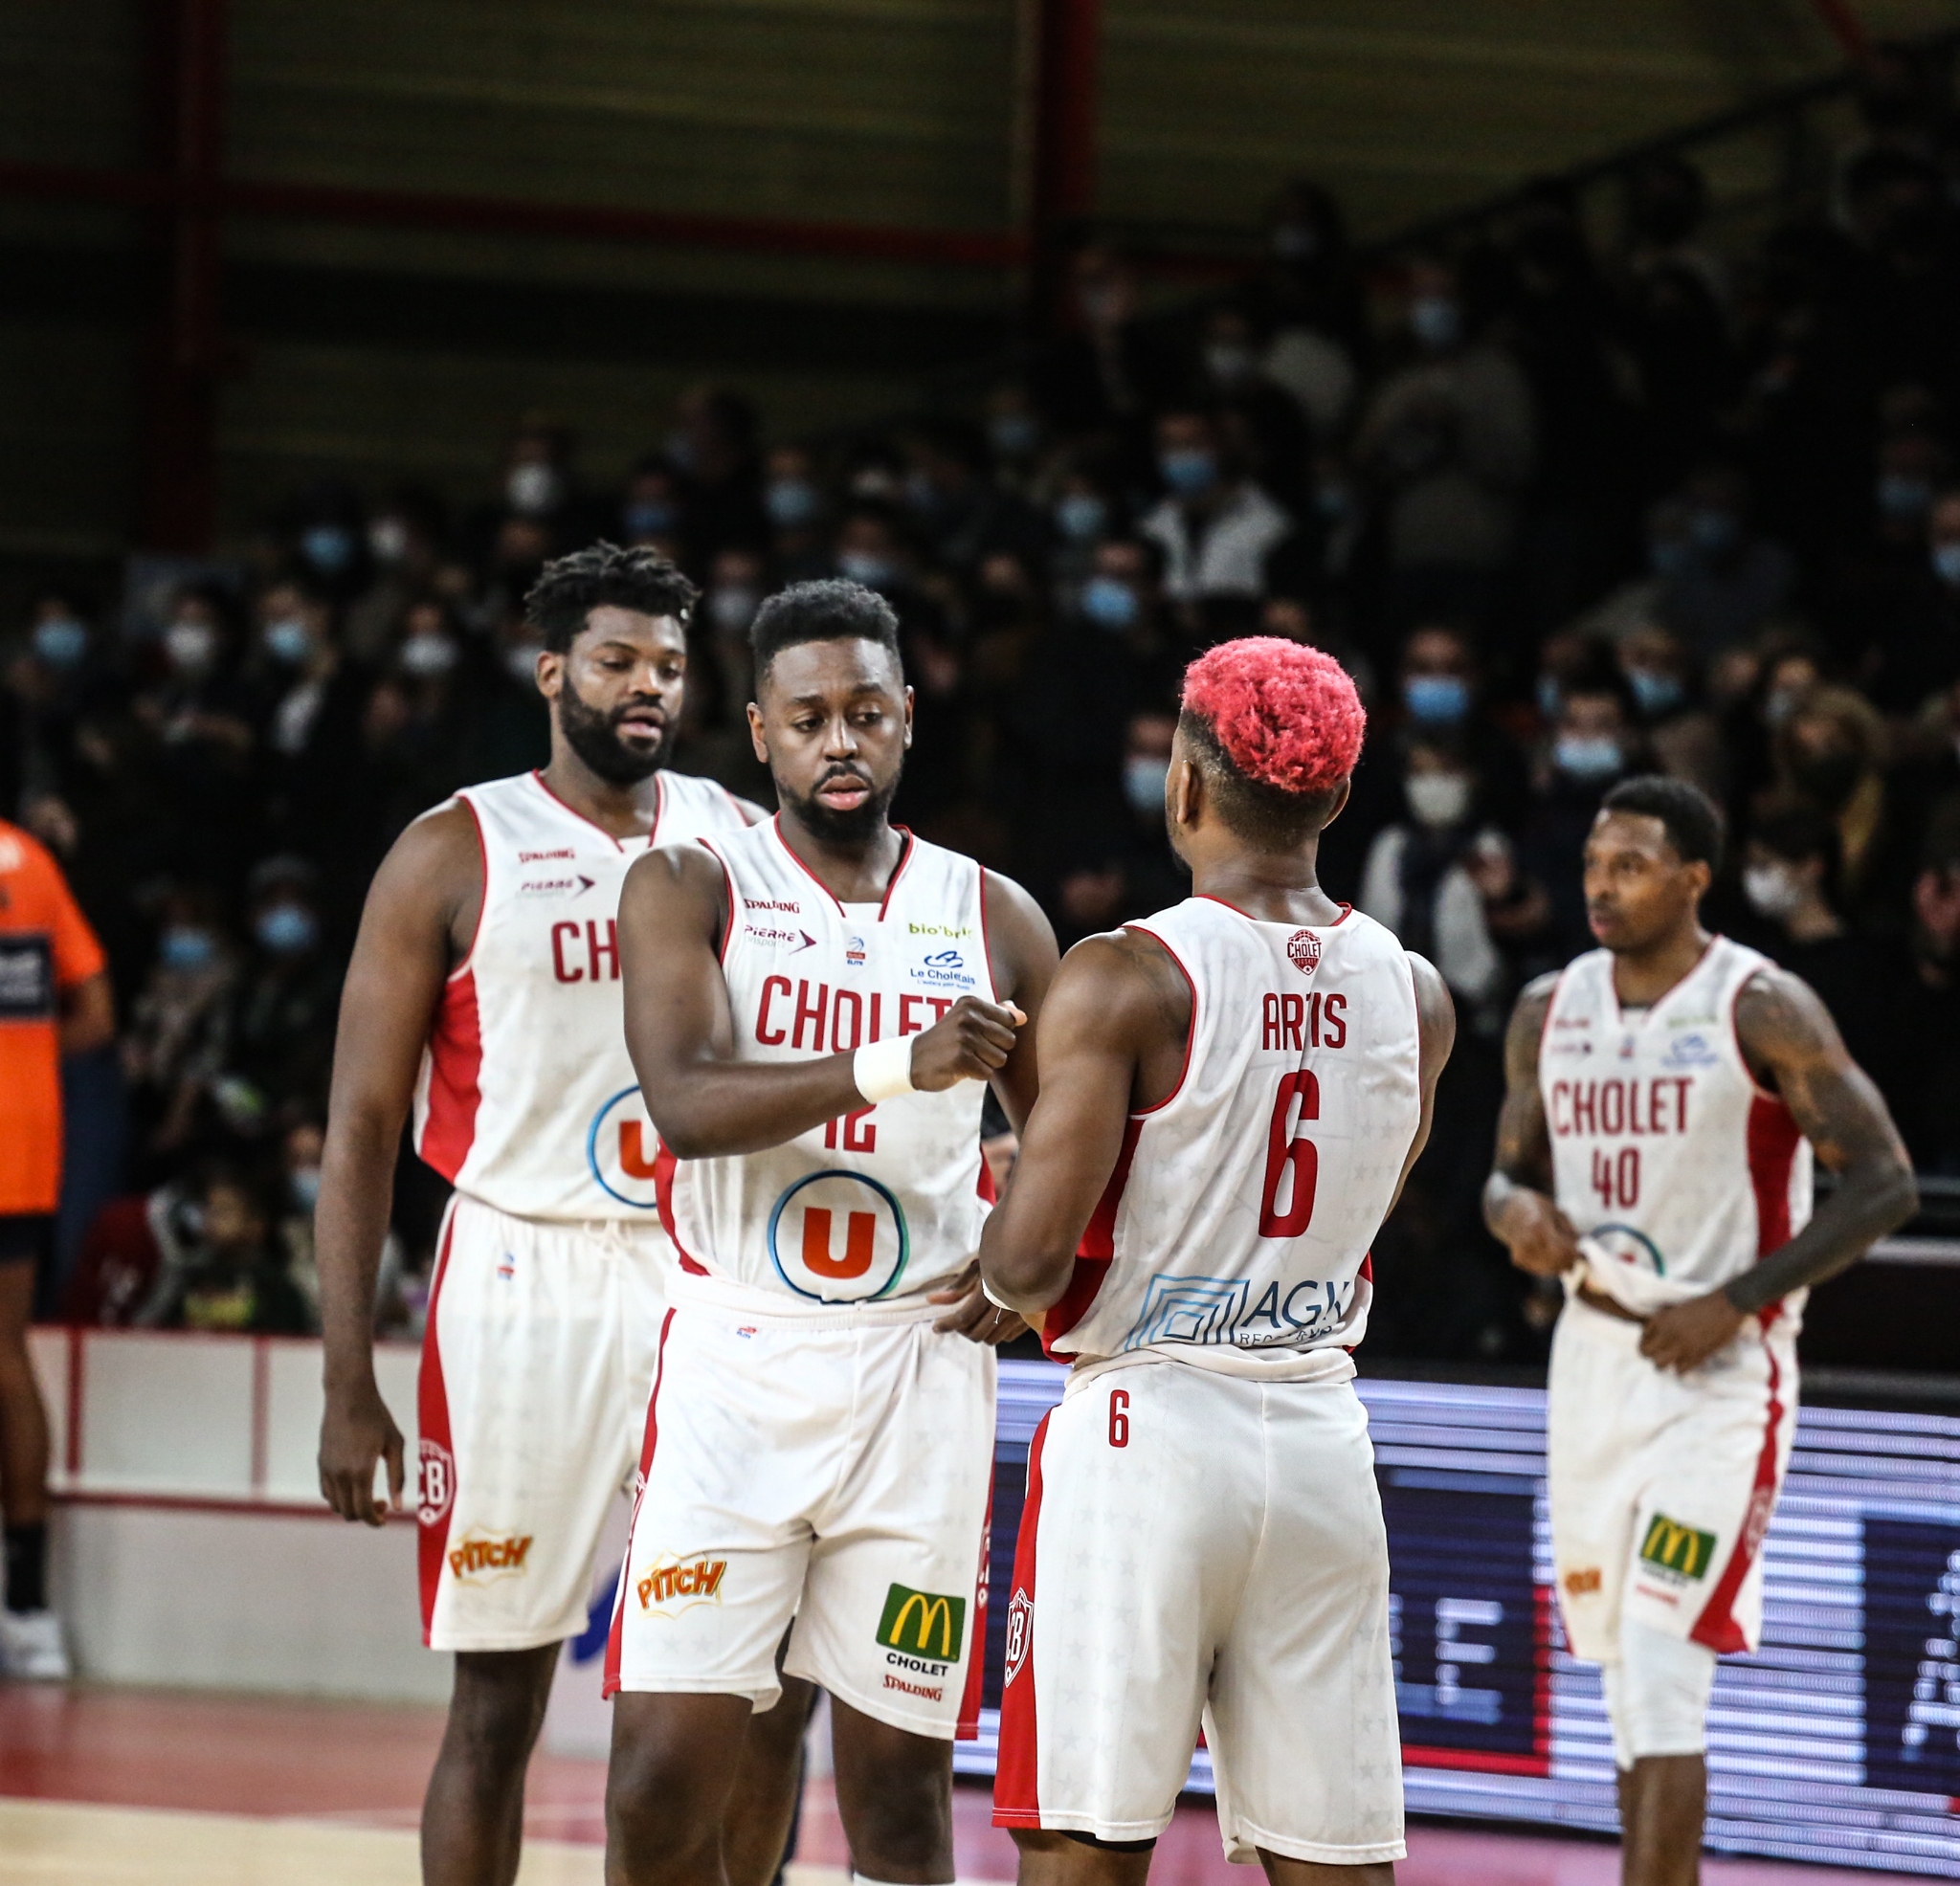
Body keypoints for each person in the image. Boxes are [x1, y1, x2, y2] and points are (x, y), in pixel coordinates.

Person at [313, 544, 804, 1886]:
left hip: (708, 1273)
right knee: (498, 1700)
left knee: (749, 1686)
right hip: (519, 1276)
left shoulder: (737, 835)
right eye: (615, 660)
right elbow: (360, 1127)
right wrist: (348, 1374)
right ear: (551, 673)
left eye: (666, 665)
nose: (645, 686)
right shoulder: (450, 849)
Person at [605, 578, 1059, 1886]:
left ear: (909, 718)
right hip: (737, 1362)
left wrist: (1033, 1260)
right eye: (810, 718)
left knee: (903, 1801)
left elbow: (1068, 1144)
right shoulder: (690, 879)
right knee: (655, 1786)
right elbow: (685, 1101)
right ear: (759, 732)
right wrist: (895, 1063)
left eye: (867, 711)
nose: (841, 741)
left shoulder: (994, 913)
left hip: (918, 1372)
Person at [978, 637, 1455, 1883]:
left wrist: (1009, 1186)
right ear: (1339, 800)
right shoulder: (1418, 990)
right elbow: (1356, 1207)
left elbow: (1026, 1267)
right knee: (1334, 1857)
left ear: (1185, 784)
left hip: (1149, 1425)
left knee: (1085, 1838)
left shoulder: (1127, 973)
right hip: (1318, 1436)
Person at [1482, 775, 1917, 1886]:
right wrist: (1514, 1214)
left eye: (1627, 866)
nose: (1599, 886)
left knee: (1668, 1660)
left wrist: (1734, 1299)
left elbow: (1883, 1183)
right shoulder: (1547, 1009)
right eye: (1589, 864)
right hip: (1589, 1359)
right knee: (1625, 1672)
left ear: (1691, 880)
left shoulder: (1760, 1005)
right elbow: (1502, 1176)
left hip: (1720, 1367)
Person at [0, 817, 114, 1678]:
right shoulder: (27, 858)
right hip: (22, 1143)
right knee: (8, 1353)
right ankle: (29, 1605)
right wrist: (26, 1056)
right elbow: (96, 1014)